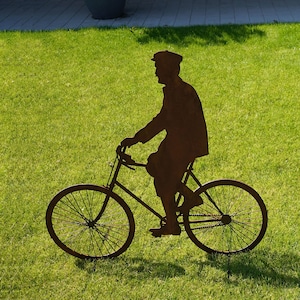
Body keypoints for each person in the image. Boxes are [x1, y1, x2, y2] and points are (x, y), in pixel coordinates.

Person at [121, 51, 208, 237]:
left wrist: (137, 138)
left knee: (165, 183)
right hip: (179, 140)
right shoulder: (174, 89)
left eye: (158, 68)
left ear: (168, 70)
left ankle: (174, 222)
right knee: (155, 166)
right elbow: (165, 120)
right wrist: (138, 138)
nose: (156, 73)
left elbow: (163, 121)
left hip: (185, 143)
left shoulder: (179, 92)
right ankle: (185, 202)